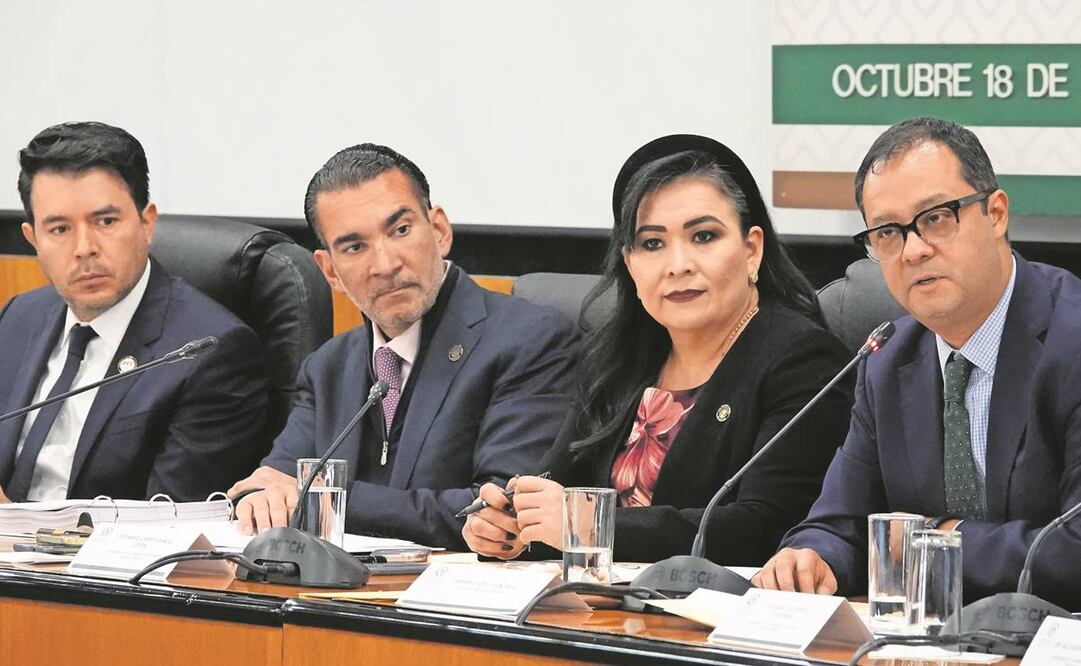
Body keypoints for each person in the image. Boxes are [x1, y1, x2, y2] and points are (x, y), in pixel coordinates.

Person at [462, 134, 853, 565]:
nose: (678, 264)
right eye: (652, 243)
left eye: (704, 236)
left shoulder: (804, 360)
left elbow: (765, 528)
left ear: (751, 249)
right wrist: (510, 523)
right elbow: (556, 483)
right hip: (601, 613)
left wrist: (586, 523)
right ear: (630, 264)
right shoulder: (620, 360)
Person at [756, 117, 1081, 609]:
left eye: (936, 217)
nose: (913, 249)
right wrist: (811, 557)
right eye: (888, 231)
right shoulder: (887, 358)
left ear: (996, 214)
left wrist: (937, 541)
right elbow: (839, 523)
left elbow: (1073, 547)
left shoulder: (1071, 341)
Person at [228, 143, 578, 549]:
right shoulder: (328, 367)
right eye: (355, 247)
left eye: (400, 230)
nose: (386, 264)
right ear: (330, 271)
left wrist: (324, 497)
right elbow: (274, 483)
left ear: (440, 230)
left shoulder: (529, 339)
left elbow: (501, 511)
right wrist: (257, 498)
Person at [0, 121, 268, 503]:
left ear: (146, 223)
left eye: (105, 221)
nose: (84, 248)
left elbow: (169, 524)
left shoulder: (210, 351)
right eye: (59, 229)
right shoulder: (17, 318)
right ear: (33, 240)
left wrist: (12, 527)